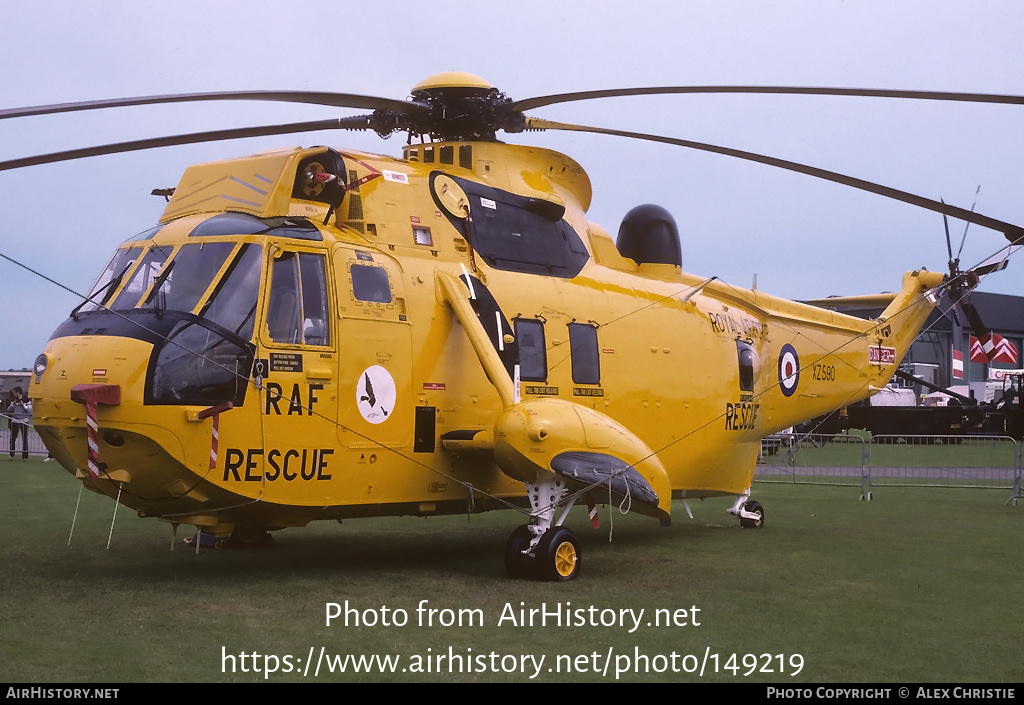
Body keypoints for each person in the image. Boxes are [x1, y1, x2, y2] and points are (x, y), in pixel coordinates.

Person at [8, 387, 32, 460]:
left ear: (18, 392)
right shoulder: (13, 400)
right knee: (12, 438)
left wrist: (23, 405)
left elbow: (30, 411)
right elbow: (8, 411)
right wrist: (13, 405)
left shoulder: (26, 400)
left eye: (14, 392)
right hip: (15, 421)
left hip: (24, 421)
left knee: (24, 439)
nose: (13, 394)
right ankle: (11, 454)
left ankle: (25, 456)